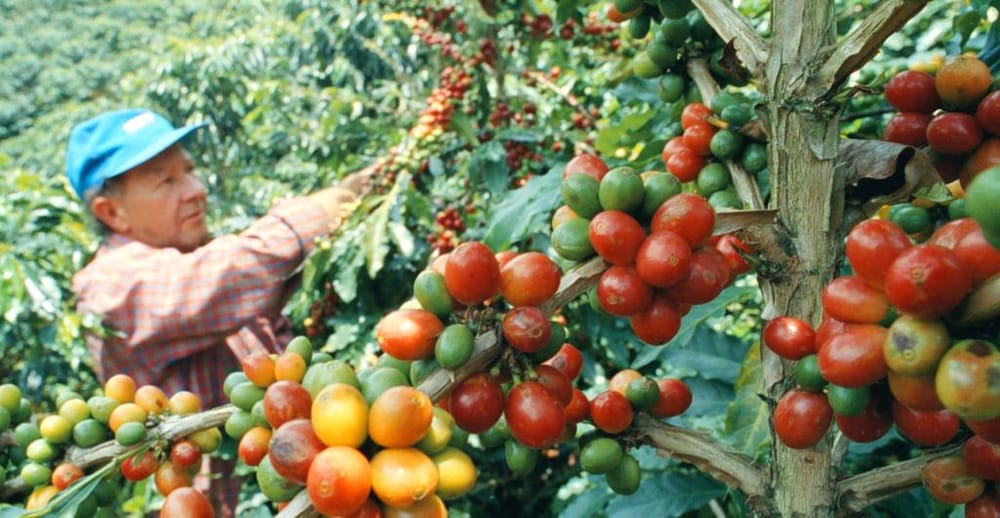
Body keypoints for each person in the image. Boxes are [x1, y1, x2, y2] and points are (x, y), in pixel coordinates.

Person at [66, 108, 367, 516]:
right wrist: (318, 212)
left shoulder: (192, 255)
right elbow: (224, 277)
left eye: (189, 171)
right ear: (111, 212)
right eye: (166, 181)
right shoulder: (109, 287)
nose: (194, 190)